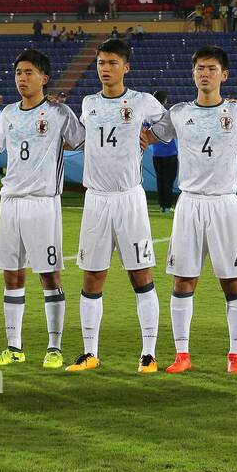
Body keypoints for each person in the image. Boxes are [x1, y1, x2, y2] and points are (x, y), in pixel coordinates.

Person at [66, 39, 169, 373]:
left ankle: (149, 354)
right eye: (100, 62)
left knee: (140, 275)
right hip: (95, 198)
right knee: (92, 276)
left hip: (129, 198)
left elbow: (171, 123)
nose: (104, 68)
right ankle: (90, 353)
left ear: (126, 67)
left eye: (111, 62)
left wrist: (151, 137)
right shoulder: (88, 103)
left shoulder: (141, 101)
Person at [159, 46, 237, 373]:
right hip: (189, 203)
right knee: (183, 281)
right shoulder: (176, 112)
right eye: (200, 68)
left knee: (232, 281)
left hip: (224, 204)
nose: (205, 74)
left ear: (224, 74)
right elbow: (148, 134)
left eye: (211, 69)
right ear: (193, 74)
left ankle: (235, 357)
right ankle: (182, 355)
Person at [0, 50, 83, 369]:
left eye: (28, 72)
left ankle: (54, 348)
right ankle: (14, 347)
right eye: (18, 73)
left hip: (43, 203)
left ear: (44, 78)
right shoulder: (9, 113)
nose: (22, 78)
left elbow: (80, 141)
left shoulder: (59, 112)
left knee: (48, 275)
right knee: (12, 275)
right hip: (10, 202)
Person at [150, 90, 179, 214]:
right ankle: (167, 205)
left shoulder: (149, 115)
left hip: (155, 152)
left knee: (160, 179)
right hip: (169, 152)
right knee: (169, 180)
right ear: (165, 100)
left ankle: (162, 205)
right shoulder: (166, 114)